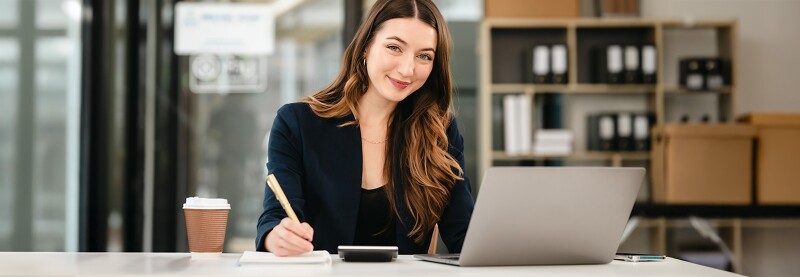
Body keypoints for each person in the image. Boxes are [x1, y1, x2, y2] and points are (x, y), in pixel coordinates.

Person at [256, 0, 474, 256]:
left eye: (424, 56)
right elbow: (275, 218)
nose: (407, 69)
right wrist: (276, 237)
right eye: (394, 47)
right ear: (365, 47)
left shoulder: (439, 131)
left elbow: (465, 234)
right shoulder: (297, 123)